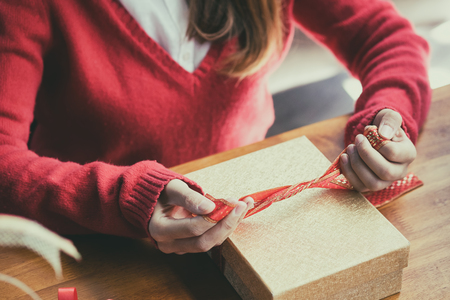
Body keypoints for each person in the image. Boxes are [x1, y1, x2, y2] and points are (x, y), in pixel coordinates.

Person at [0, 0, 430, 254]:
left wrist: (389, 118)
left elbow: (385, 36)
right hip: (92, 242)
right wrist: (123, 199)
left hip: (251, 226)